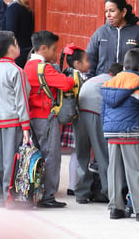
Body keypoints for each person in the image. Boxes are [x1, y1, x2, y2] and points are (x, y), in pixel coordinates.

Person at [101, 48, 139, 222]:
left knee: (114, 171)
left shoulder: (110, 83)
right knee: (134, 170)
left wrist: (105, 130)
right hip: (131, 132)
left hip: (111, 133)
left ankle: (115, 208)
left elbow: (103, 110)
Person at [23, 30, 74, 208]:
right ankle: (47, 195)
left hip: (31, 117)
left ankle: (34, 192)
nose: (55, 53)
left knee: (37, 155)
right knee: (51, 155)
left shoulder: (27, 66)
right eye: (54, 49)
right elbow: (67, 83)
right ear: (43, 48)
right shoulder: (44, 68)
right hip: (46, 116)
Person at [0, 31, 31, 207]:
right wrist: (26, 127)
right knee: (13, 161)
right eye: (16, 43)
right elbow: (21, 101)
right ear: (11, 48)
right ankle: (10, 198)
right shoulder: (16, 71)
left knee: (1, 160)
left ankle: (0, 196)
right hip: (14, 122)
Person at [74, 61, 123, 204]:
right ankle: (110, 193)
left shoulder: (95, 78)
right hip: (94, 114)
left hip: (79, 114)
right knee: (102, 154)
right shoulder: (113, 81)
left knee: (82, 155)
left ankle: (81, 193)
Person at [86, 0, 139, 78]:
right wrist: (89, 81)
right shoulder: (100, 33)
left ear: (123, 12)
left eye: (112, 11)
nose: (108, 15)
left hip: (130, 85)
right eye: (106, 11)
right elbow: (89, 60)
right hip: (103, 85)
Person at [57, 43, 90, 197]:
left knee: (73, 154)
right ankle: (75, 184)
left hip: (68, 119)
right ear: (78, 63)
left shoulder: (65, 74)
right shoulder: (81, 78)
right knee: (78, 153)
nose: (89, 64)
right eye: (87, 60)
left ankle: (71, 185)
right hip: (78, 120)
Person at [1, 0, 34, 68]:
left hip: (18, 51)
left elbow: (10, 32)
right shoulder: (25, 6)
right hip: (27, 48)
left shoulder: (12, 9)